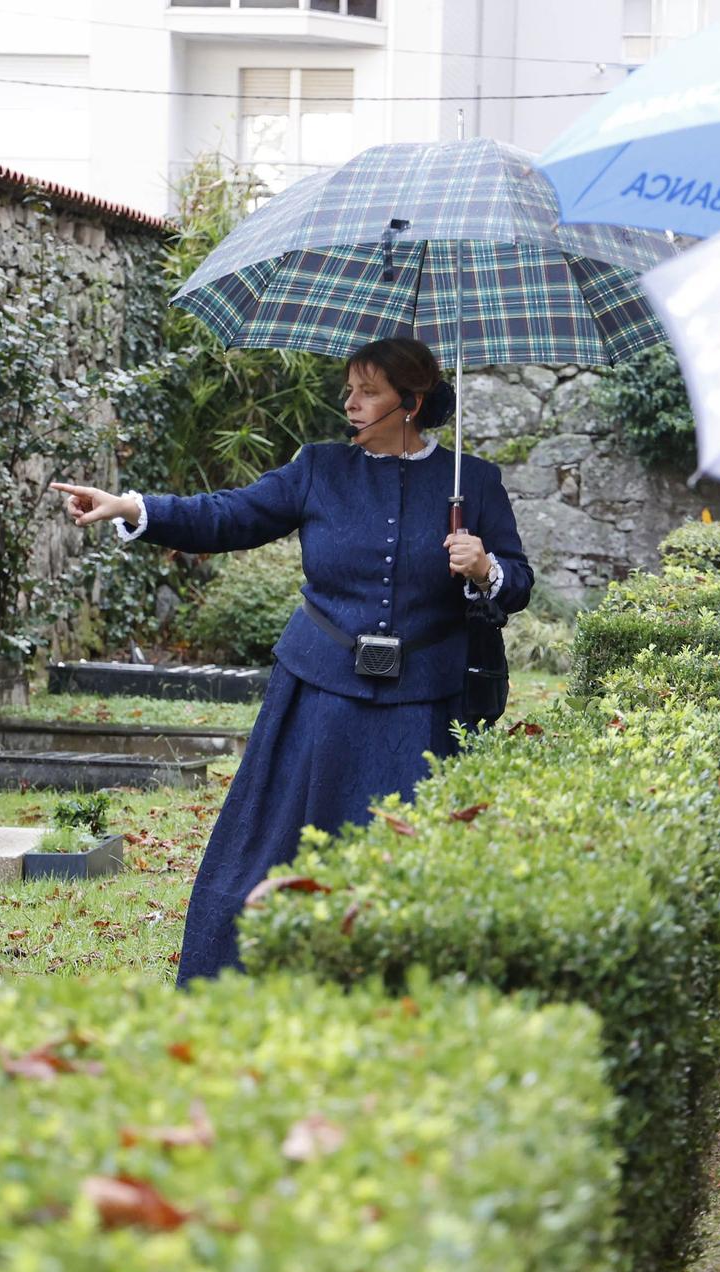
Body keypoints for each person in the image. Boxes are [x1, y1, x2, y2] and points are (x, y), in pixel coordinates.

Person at [51, 337, 531, 984]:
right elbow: (230, 516)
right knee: (273, 845)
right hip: (318, 694)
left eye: (368, 392)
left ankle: (399, 992)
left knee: (410, 855)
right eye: (349, 389)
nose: (351, 403)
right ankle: (248, 984)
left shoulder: (472, 483)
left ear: (411, 404)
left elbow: (519, 581)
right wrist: (134, 507)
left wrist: (485, 567)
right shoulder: (318, 468)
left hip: (423, 704)